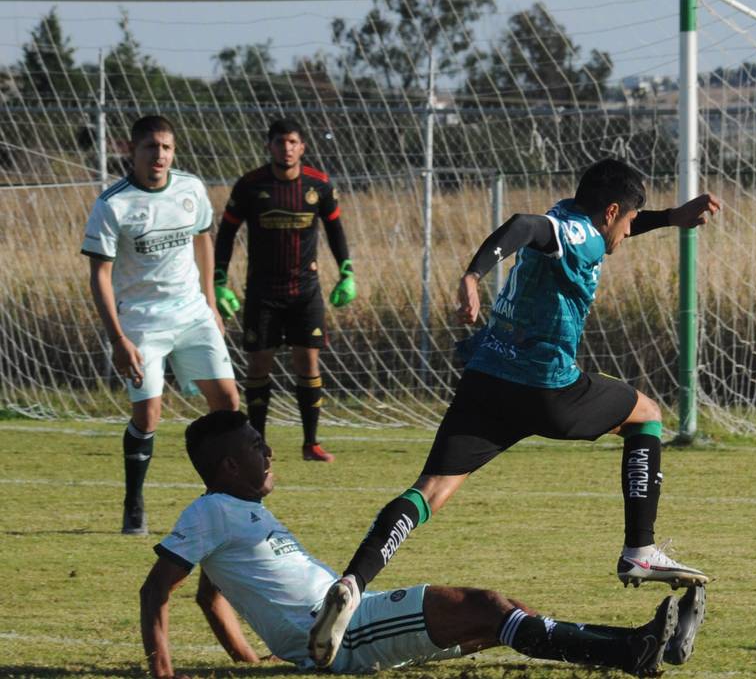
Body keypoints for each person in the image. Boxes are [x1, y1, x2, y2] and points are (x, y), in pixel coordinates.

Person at [307, 158, 719, 667]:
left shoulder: (570, 215)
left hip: (486, 380)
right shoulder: (577, 233)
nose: (631, 227)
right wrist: (472, 276)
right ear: (611, 211)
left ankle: (352, 581)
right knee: (646, 413)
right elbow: (525, 225)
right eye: (631, 219)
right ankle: (640, 550)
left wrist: (672, 217)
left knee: (430, 490)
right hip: (547, 391)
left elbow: (560, 227)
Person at [139, 410, 707, 678]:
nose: (269, 453)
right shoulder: (210, 511)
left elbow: (210, 596)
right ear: (230, 464)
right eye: (259, 445)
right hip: (341, 635)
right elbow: (155, 589)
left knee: (501, 620)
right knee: (488, 607)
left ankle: (639, 645)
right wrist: (162, 671)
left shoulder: (233, 514)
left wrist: (250, 658)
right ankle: (632, 651)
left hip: (334, 626)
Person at [82, 115, 239, 536]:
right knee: (149, 416)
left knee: (228, 404)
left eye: (167, 147)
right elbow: (99, 275)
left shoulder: (190, 188)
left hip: (192, 315)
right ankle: (134, 504)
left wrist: (211, 302)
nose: (160, 155)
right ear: (132, 152)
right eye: (151, 147)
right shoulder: (113, 204)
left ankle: (222, 502)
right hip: (141, 323)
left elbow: (204, 236)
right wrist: (118, 338)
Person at [213, 118, 356, 463]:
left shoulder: (318, 185)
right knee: (259, 365)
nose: (286, 148)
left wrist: (346, 270)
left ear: (302, 147)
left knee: (308, 363)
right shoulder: (250, 186)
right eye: (280, 142)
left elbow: (335, 230)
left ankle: (311, 443)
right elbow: (227, 234)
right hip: (263, 291)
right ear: (269, 146)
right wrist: (218, 278)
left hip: (305, 291)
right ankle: (258, 444)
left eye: (293, 142)